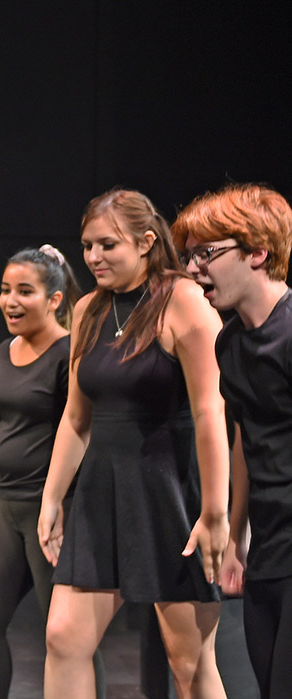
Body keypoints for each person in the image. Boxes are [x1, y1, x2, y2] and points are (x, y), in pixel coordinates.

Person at [37, 188, 229, 699]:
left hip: (169, 492)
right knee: (63, 638)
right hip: (103, 489)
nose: (93, 257)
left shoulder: (183, 299)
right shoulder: (87, 310)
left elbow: (212, 410)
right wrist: (53, 497)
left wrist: (215, 512)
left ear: (146, 242)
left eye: (107, 245)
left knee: (189, 661)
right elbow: (77, 418)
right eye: (86, 246)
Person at [0, 246, 106, 699]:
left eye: (25, 291)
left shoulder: (71, 353)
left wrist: (59, 502)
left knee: (68, 637)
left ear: (55, 300)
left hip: (56, 509)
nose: (11, 301)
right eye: (6, 291)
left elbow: (81, 429)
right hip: (9, 505)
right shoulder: (6, 350)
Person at [171, 183, 292, 699]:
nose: (195, 269)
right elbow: (244, 436)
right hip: (269, 545)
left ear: (258, 252)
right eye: (189, 256)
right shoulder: (232, 342)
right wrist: (236, 539)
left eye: (207, 254)